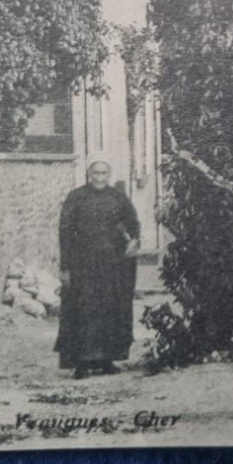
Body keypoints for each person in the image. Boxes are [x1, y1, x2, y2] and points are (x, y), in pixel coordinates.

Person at [55, 160, 141, 379]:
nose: (99, 177)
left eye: (103, 173)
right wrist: (65, 267)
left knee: (111, 310)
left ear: (109, 174)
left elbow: (133, 222)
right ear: (89, 174)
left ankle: (106, 360)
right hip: (83, 264)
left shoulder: (118, 197)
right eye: (95, 173)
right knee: (83, 311)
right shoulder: (76, 197)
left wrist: (134, 240)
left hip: (112, 265)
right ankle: (81, 363)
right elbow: (65, 232)